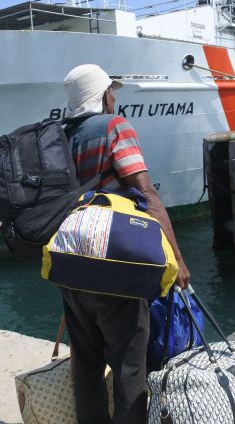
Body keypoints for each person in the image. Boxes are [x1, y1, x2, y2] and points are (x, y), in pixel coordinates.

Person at [60, 64, 190, 423]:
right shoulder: (114, 127)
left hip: (71, 261)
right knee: (129, 366)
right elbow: (146, 194)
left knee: (85, 365)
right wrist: (176, 259)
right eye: (111, 91)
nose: (114, 97)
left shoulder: (61, 136)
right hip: (115, 262)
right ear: (103, 95)